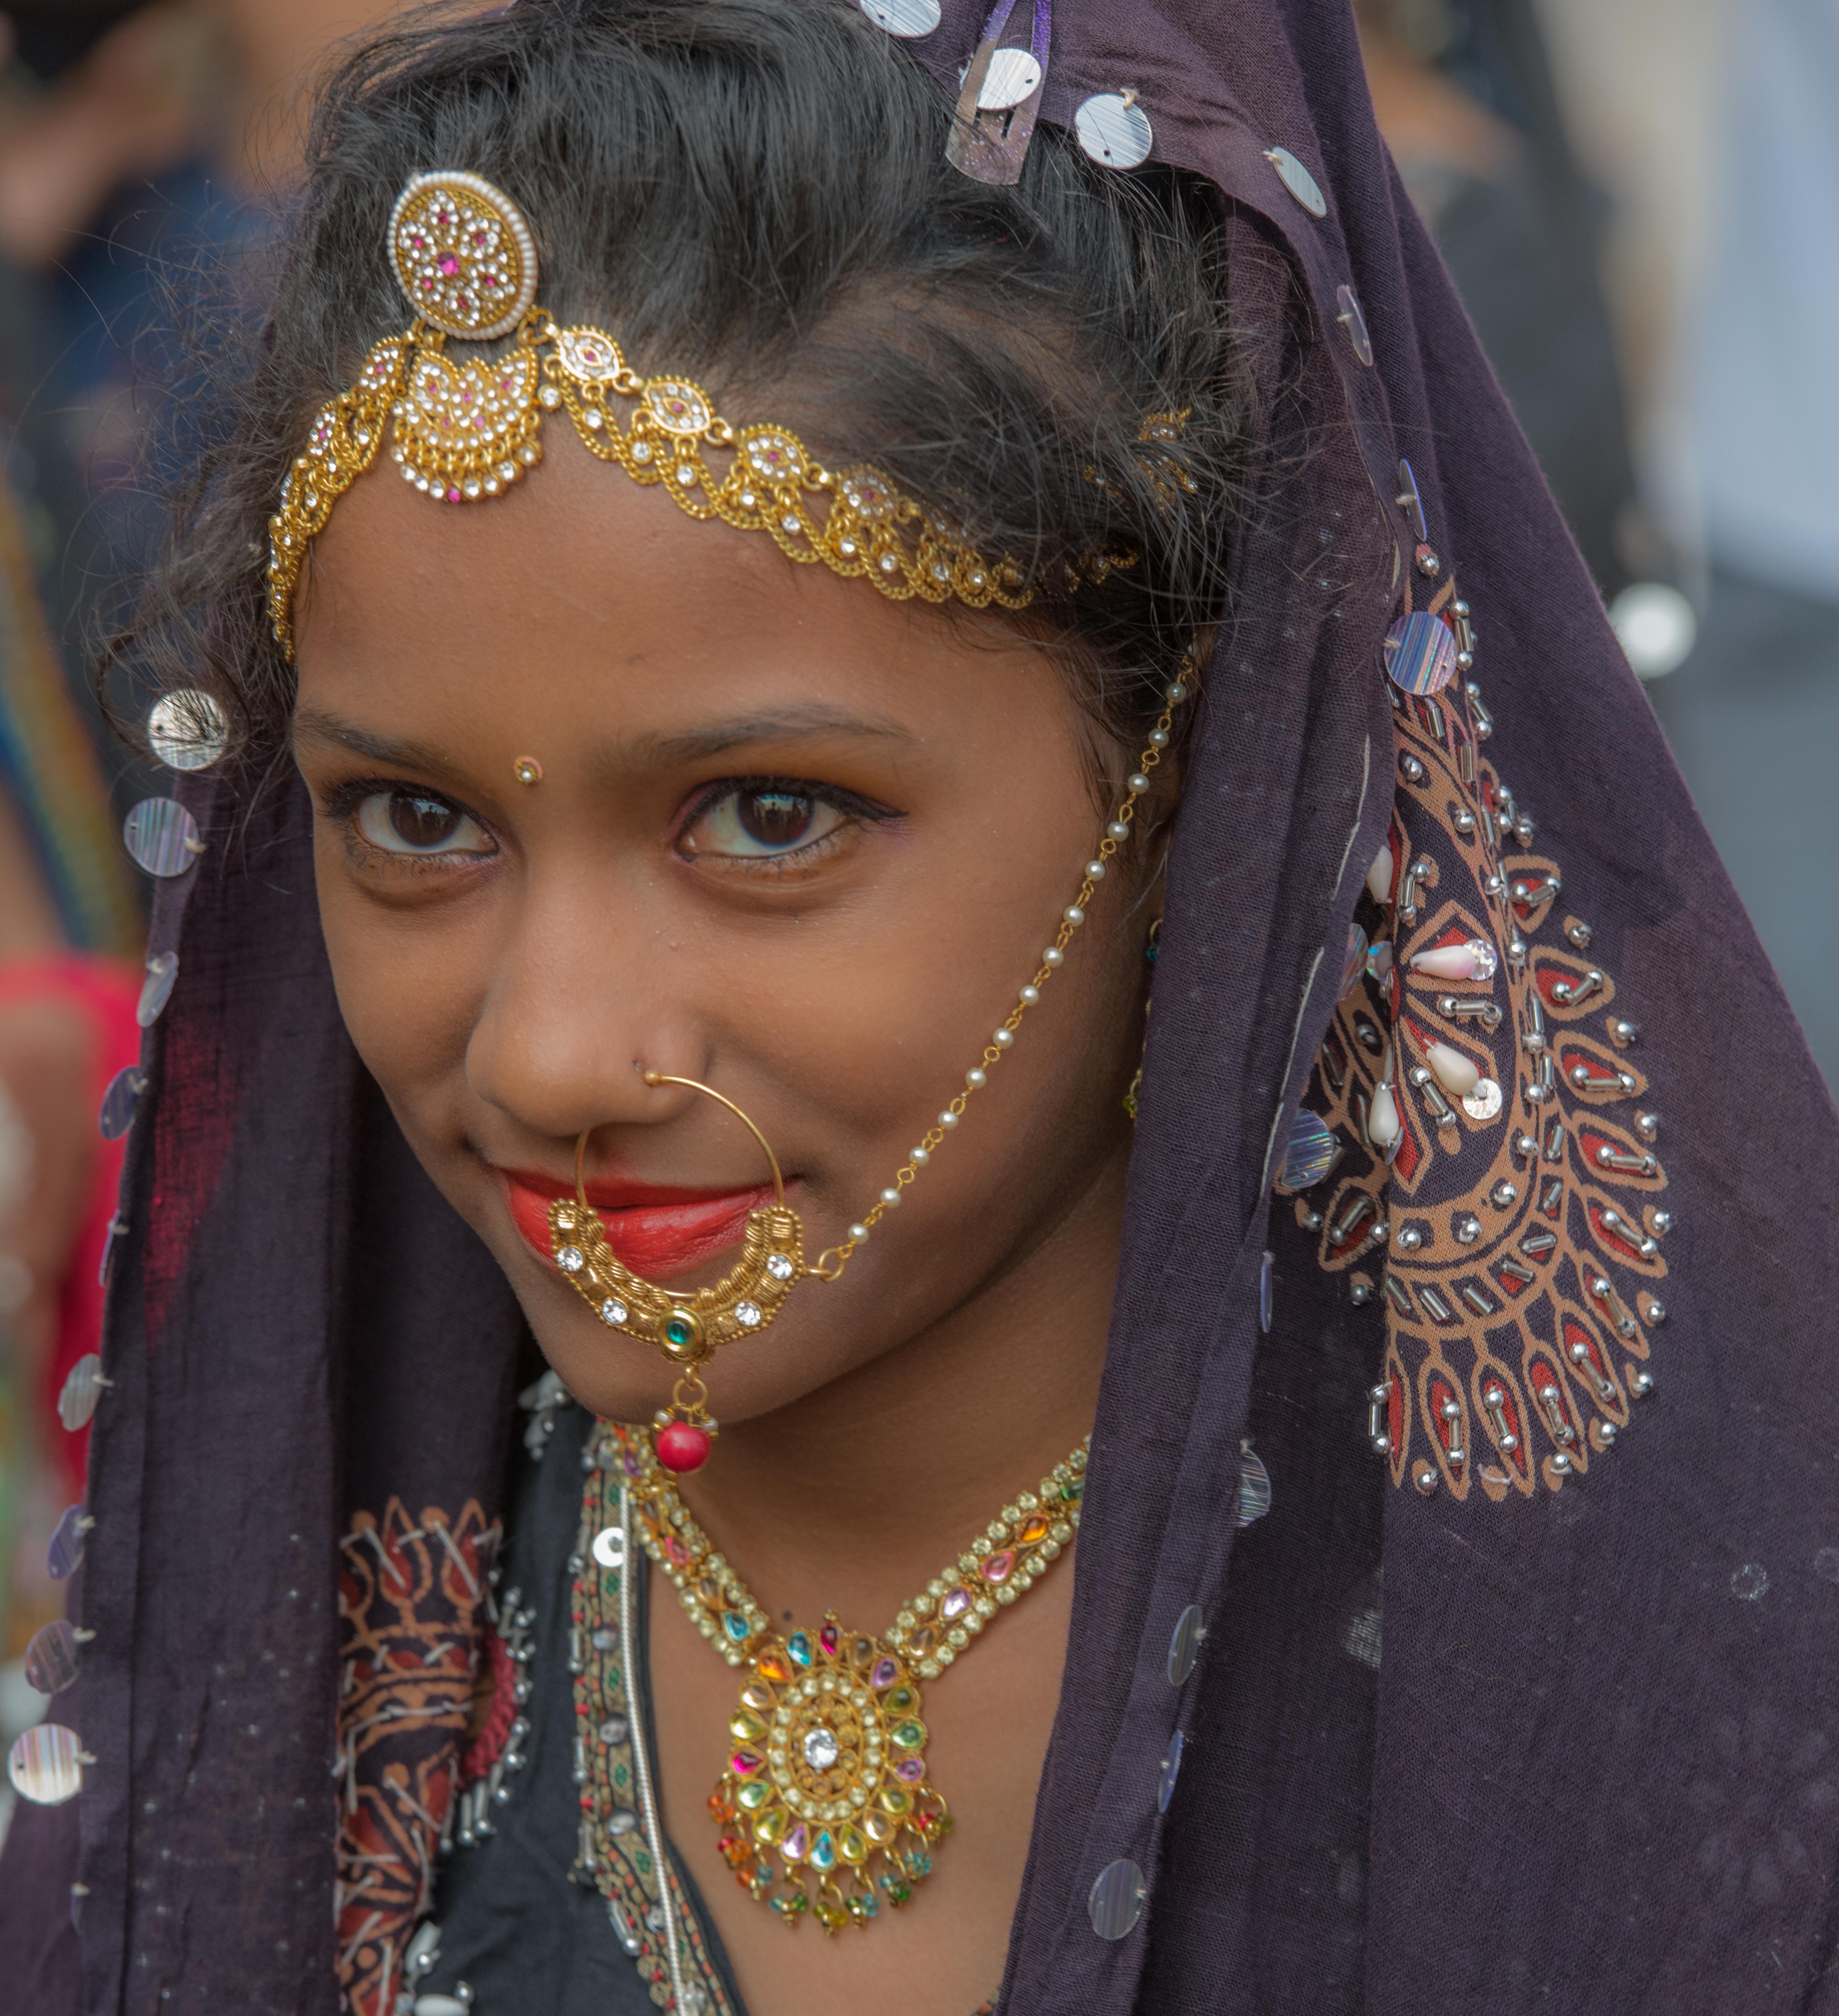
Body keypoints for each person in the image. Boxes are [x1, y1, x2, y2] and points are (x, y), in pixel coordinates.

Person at [3, 3, 1834, 2013]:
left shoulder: (1649, 1698)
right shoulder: (294, 1672)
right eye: (415, 822)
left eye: (769, 820)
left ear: (1204, 784)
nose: (546, 1051)